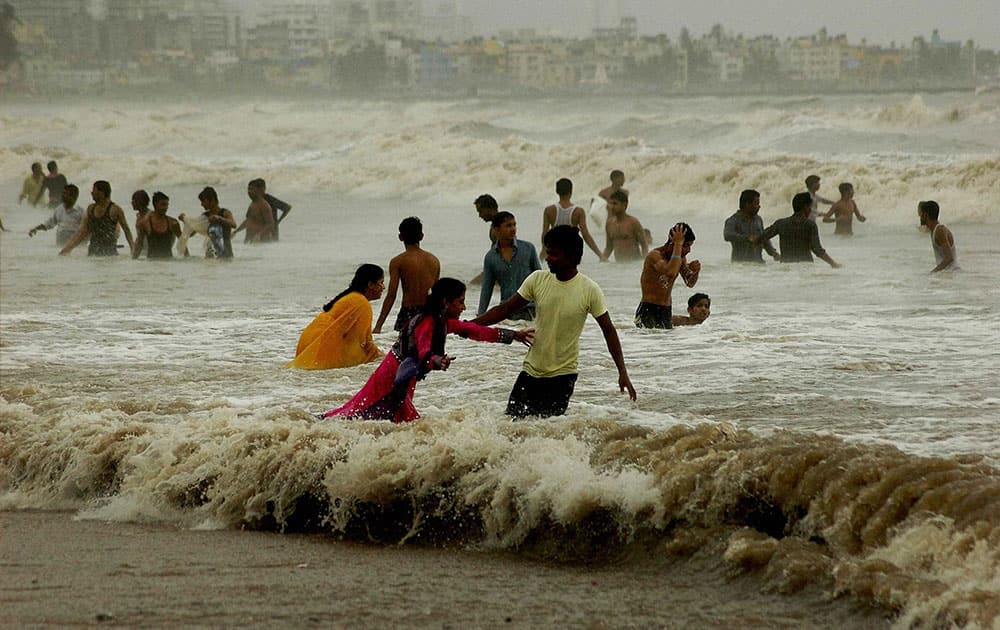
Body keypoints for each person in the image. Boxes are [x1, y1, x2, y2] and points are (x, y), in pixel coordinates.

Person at [475, 225, 636, 418]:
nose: (548, 258)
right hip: (531, 371)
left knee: (547, 429)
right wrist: (471, 325)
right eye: (548, 253)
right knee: (510, 424)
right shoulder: (538, 279)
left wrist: (622, 372)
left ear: (571, 256)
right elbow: (505, 309)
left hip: (562, 376)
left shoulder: (589, 290)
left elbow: (608, 331)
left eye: (553, 254)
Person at [319, 278, 532, 423]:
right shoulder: (427, 322)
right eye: (460, 302)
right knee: (360, 414)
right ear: (445, 302)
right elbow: (423, 351)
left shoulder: (443, 321)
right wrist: (437, 361)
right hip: (392, 376)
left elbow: (474, 330)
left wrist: (514, 335)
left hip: (404, 376)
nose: (463, 308)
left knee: (386, 419)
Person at [286, 264, 386, 370]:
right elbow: (360, 343)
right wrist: (380, 360)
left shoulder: (352, 297)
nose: (383, 287)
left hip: (309, 342)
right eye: (381, 283)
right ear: (370, 284)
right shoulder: (362, 303)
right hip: (322, 343)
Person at [373, 217, 440, 334]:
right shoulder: (434, 260)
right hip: (429, 313)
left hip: (408, 312)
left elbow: (391, 295)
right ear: (421, 236)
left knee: (404, 349)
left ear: (400, 237)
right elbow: (437, 294)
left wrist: (378, 326)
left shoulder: (398, 261)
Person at [635, 223, 701, 329]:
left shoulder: (680, 258)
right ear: (674, 242)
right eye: (687, 245)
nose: (689, 250)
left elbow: (690, 283)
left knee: (665, 343)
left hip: (666, 310)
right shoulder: (655, 256)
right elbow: (670, 272)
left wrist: (695, 272)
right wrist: (678, 244)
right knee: (648, 343)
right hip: (648, 309)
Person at [478, 211, 541, 321]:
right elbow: (486, 289)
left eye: (514, 224)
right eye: (508, 226)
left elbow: (540, 279)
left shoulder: (528, 249)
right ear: (496, 229)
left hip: (530, 311)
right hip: (507, 314)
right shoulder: (490, 257)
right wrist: (479, 318)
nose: (513, 229)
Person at [763, 193, 841, 268]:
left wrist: (754, 241)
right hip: (805, 267)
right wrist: (833, 264)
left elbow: (763, 237)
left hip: (786, 269)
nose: (810, 210)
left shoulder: (781, 223)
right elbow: (817, 250)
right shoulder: (810, 225)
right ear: (805, 207)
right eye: (810, 207)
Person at [59, 180, 134, 256]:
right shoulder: (90, 209)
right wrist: (67, 249)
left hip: (110, 255)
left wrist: (133, 249)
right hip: (92, 253)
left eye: (94, 191)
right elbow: (81, 232)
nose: (91, 193)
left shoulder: (115, 209)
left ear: (101, 193)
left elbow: (126, 230)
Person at [541, 178, 605, 262]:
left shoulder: (549, 210)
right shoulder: (578, 211)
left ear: (557, 191)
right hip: (570, 252)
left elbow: (545, 233)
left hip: (555, 251)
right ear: (571, 191)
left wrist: (543, 250)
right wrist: (600, 255)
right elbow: (586, 235)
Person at [723, 189, 779, 263]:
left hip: (758, 265)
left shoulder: (758, 219)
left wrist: (774, 253)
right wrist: (747, 238)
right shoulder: (733, 220)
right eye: (756, 203)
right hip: (740, 266)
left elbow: (764, 239)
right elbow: (727, 235)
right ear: (747, 204)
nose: (759, 206)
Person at [602, 190, 648, 262]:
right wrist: (601, 263)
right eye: (611, 204)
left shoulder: (633, 222)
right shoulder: (609, 224)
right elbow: (609, 247)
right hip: (619, 267)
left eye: (615, 204)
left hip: (633, 264)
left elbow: (644, 244)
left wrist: (644, 262)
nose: (612, 207)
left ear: (625, 205)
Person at [132, 191, 181, 259]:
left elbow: (182, 242)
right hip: (151, 264)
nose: (165, 207)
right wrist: (133, 261)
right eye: (163, 204)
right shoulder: (144, 224)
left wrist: (187, 260)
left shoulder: (173, 223)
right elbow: (139, 245)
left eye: (167, 205)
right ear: (155, 204)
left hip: (169, 264)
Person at [918, 200, 959, 272]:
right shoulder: (933, 229)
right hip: (947, 274)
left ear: (925, 215)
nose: (919, 218)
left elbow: (949, 258)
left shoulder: (940, 230)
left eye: (920, 215)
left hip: (951, 272)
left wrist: (933, 272)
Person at [469, 193, 500, 285]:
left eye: (480, 211)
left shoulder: (500, 225)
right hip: (493, 269)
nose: (479, 215)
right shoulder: (495, 224)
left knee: (472, 285)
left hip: (498, 271)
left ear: (489, 209)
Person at [234, 179, 276, 243]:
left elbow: (270, 224)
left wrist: (259, 235)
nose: (249, 192)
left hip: (262, 242)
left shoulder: (264, 206)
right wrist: (236, 231)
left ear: (258, 190)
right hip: (251, 240)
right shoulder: (252, 204)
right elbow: (248, 221)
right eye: (248, 189)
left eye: (251, 189)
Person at [130, 190, 151, 257]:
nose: (131, 203)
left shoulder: (150, 216)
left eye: (133, 200)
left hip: (148, 250)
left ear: (139, 201)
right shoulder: (139, 215)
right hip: (141, 249)